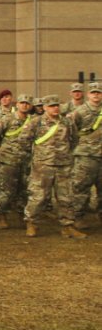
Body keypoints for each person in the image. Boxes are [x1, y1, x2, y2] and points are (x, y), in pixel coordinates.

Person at [19, 95, 87, 238]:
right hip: (43, 165)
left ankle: (67, 226)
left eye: (57, 105)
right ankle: (31, 223)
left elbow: (74, 140)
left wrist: (65, 155)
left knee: (66, 197)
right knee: (38, 196)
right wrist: (37, 155)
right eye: (51, 106)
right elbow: (24, 140)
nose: (55, 108)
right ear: (44, 108)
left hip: (64, 165)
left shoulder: (67, 122)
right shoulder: (36, 122)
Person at [0, 95, 34, 230]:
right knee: (7, 190)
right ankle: (2, 216)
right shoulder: (7, 118)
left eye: (27, 103)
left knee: (24, 190)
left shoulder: (33, 121)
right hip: (9, 161)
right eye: (22, 103)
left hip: (26, 161)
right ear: (17, 104)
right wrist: (5, 149)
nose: (24, 105)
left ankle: (21, 215)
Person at [66, 82, 102, 228]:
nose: (96, 95)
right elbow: (69, 131)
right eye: (93, 92)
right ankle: (77, 217)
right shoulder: (79, 111)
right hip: (86, 157)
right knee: (80, 188)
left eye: (99, 92)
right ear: (88, 94)